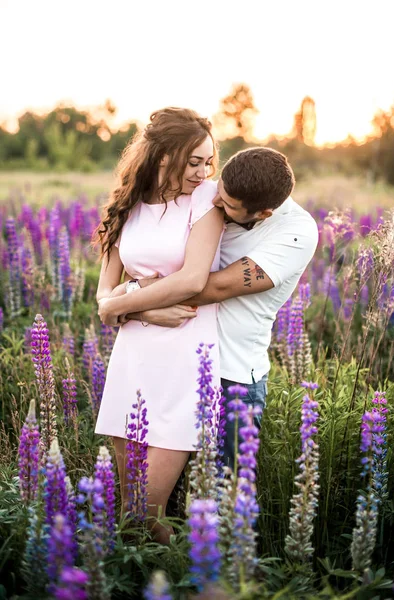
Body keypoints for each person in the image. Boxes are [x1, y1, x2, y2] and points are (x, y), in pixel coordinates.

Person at [122, 147, 319, 469]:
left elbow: (209, 287)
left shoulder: (296, 232)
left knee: (226, 498)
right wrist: (128, 296)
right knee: (160, 494)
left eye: (227, 205)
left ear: (263, 213)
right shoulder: (212, 196)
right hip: (175, 360)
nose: (215, 202)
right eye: (220, 192)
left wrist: (129, 301)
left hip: (233, 378)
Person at [93, 107, 224, 544]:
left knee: (146, 509)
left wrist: (124, 303)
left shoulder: (206, 200)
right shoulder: (128, 204)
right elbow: (103, 297)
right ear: (164, 155)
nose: (204, 171)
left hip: (186, 361)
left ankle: (186, 582)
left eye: (209, 161)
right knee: (128, 516)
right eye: (194, 161)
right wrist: (142, 308)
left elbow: (192, 279)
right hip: (132, 360)